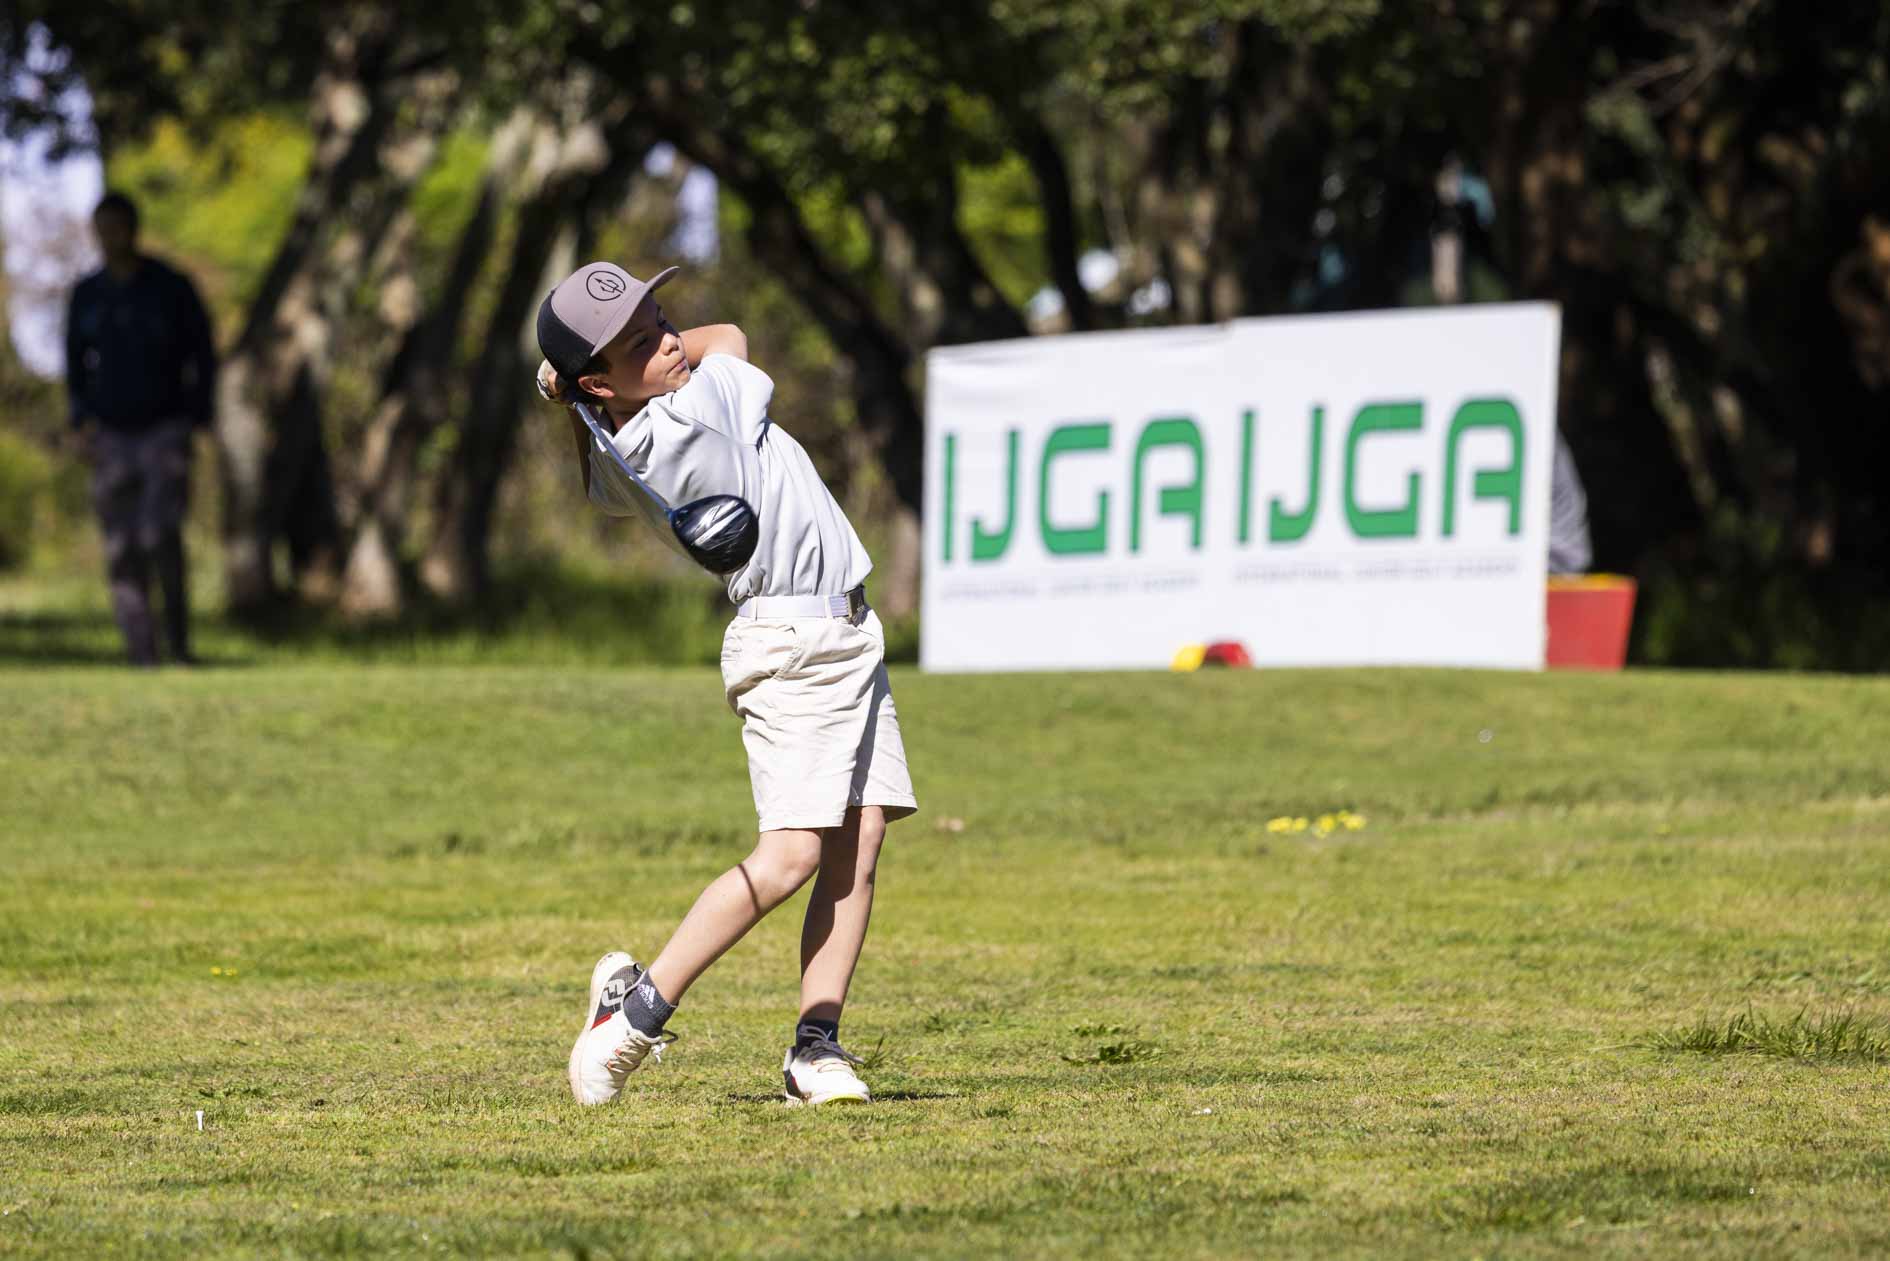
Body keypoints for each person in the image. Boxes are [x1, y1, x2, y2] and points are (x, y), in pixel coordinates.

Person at [533, 261, 918, 1106]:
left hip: (840, 631)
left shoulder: (614, 440)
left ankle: (815, 1049)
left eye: (662, 320)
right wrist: (573, 382)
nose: (672, 343)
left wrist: (575, 389)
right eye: (643, 343)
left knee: (858, 840)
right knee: (792, 856)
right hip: (797, 642)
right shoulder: (698, 408)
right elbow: (731, 337)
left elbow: (657, 371)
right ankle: (634, 1015)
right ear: (600, 380)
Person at [64, 191, 217, 666]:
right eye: (101, 230)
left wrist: (197, 416)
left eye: (116, 228)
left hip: (164, 428)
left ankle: (179, 646)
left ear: (133, 229)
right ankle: (141, 653)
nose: (108, 238)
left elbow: (203, 353)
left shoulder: (170, 287)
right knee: (121, 546)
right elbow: (75, 364)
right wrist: (80, 421)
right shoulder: (87, 294)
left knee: (160, 534)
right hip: (111, 434)